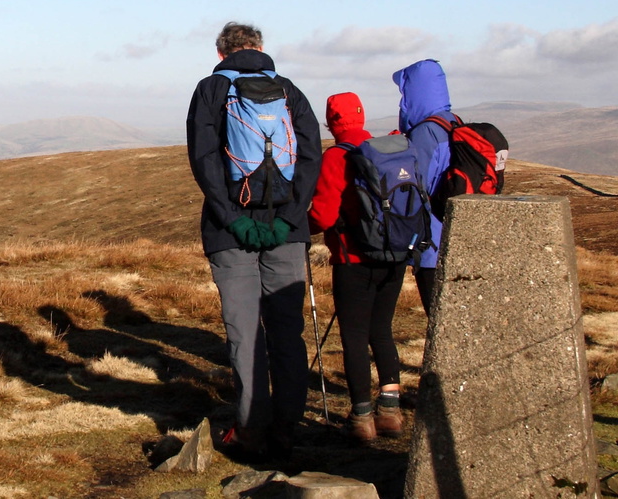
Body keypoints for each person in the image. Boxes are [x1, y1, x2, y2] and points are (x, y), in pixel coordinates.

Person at [186, 22, 321, 460]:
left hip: (231, 232)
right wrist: (288, 220)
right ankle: (288, 427)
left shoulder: (210, 90)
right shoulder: (289, 91)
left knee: (245, 334)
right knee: (287, 330)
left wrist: (232, 219)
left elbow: (204, 160)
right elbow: (310, 158)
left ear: (222, 53)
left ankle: (250, 429)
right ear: (260, 49)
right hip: (286, 230)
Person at [306, 92, 406, 441]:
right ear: (362, 116)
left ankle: (362, 417)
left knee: (354, 336)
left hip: (353, 260)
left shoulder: (336, 156)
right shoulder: (390, 149)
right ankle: (391, 411)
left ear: (331, 122)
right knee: (382, 330)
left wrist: (301, 228)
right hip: (395, 256)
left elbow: (323, 214)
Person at [393, 59, 454, 318]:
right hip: (455, 238)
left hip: (431, 245)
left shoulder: (425, 132)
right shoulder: (452, 123)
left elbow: (415, 189)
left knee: (439, 319)